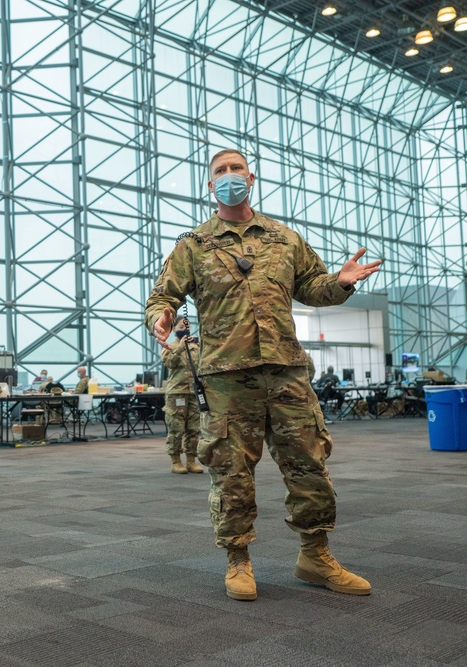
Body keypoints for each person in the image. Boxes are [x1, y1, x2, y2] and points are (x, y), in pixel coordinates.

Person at [145, 148, 382, 602]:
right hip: (227, 380)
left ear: (251, 178)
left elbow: (314, 287)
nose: (229, 176)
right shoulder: (193, 245)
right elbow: (163, 294)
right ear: (209, 185)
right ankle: (237, 559)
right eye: (220, 172)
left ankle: (315, 556)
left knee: (309, 466)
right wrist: (161, 315)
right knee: (232, 473)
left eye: (236, 169)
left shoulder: (284, 239)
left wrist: (342, 281)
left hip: (286, 372)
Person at [161, 320, 203, 475]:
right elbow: (169, 362)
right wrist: (179, 347)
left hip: (193, 392)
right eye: (181, 327)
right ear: (174, 330)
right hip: (176, 393)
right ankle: (176, 461)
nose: (185, 329)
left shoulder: (196, 347)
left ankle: (191, 460)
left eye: (187, 327)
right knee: (176, 428)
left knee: (193, 428)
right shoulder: (170, 347)